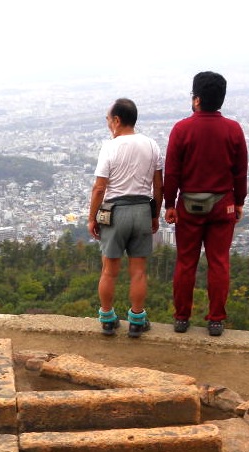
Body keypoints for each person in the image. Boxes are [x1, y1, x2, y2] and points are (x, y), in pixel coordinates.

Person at [163, 71, 248, 336]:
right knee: (219, 262)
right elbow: (240, 171)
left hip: (188, 204)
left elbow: (172, 171)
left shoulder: (182, 129)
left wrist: (169, 203)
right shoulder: (233, 129)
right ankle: (216, 320)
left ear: (197, 99)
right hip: (223, 204)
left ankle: (181, 318)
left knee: (185, 262)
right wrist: (240, 201)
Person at [88, 98, 164, 338]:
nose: (109, 125)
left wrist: (92, 218)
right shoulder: (152, 145)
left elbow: (99, 188)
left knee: (109, 271)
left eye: (109, 120)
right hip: (142, 209)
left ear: (117, 120)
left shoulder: (110, 146)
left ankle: (108, 319)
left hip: (115, 212)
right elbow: (158, 186)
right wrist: (155, 214)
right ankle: (136, 320)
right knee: (138, 272)